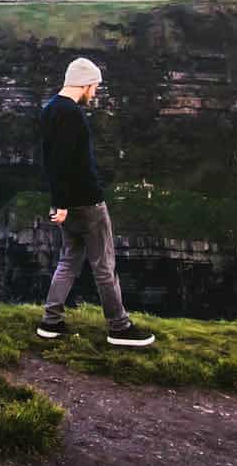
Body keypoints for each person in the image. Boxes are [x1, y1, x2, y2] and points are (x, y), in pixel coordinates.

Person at [36, 57, 156, 347]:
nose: (96, 92)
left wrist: (58, 202)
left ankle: (50, 322)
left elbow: (49, 162)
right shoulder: (72, 114)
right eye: (95, 86)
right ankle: (119, 327)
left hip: (66, 203)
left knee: (68, 260)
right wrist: (64, 204)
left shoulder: (50, 109)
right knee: (104, 266)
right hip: (87, 203)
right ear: (85, 83)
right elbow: (65, 162)